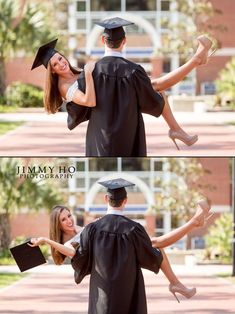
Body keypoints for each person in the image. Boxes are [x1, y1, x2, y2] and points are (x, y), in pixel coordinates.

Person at [31, 17, 213, 156]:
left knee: (157, 87)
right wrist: (88, 72)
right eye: (55, 64)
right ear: (124, 41)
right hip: (114, 129)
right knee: (157, 87)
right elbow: (89, 101)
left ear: (103, 41)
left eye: (60, 58)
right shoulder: (68, 84)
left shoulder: (92, 70)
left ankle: (196, 63)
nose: (61, 64)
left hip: (102, 130)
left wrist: (89, 71)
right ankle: (196, 61)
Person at [30, 178, 211, 312]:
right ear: (125, 201)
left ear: (105, 200)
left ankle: (177, 278)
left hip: (104, 285)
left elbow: (84, 239)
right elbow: (71, 251)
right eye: (64, 219)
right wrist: (47, 241)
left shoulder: (91, 229)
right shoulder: (121, 229)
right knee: (155, 244)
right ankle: (193, 225)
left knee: (156, 244)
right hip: (118, 279)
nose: (69, 220)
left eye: (69, 215)